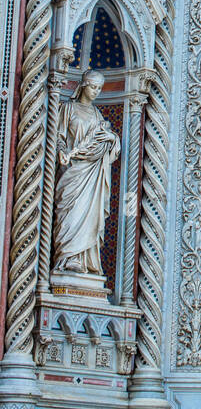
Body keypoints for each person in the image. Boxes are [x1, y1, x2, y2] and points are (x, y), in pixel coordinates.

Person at [53, 71, 120, 278]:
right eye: (93, 87)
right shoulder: (68, 108)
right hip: (73, 173)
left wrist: (112, 137)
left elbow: (109, 147)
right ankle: (67, 258)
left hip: (92, 176)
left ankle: (84, 260)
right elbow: (58, 135)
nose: (96, 92)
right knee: (70, 216)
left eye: (99, 88)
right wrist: (62, 151)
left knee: (90, 216)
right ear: (83, 85)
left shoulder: (98, 115)